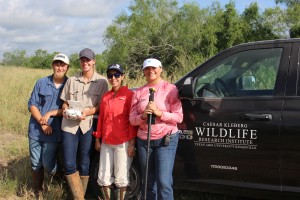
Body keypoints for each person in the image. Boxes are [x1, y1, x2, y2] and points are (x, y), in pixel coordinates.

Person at [129, 58, 183, 200]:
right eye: (147, 68)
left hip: (166, 139)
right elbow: (132, 119)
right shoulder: (139, 92)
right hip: (144, 141)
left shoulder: (170, 89)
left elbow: (179, 117)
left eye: (154, 68)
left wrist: (159, 113)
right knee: (148, 181)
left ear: (160, 69)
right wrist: (143, 116)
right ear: (143, 72)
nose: (150, 71)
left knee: (164, 182)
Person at [60, 48, 108, 199]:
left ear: (93, 61)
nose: (85, 63)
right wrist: (66, 109)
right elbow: (64, 103)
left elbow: (102, 105)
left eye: (88, 60)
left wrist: (88, 112)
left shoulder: (102, 81)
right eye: (82, 60)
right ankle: (79, 197)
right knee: (68, 163)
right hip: (69, 125)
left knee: (85, 163)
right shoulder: (72, 80)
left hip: (88, 125)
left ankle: (80, 195)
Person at [28, 53, 70, 198]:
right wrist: (42, 122)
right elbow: (32, 104)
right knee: (35, 164)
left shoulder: (70, 84)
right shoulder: (41, 82)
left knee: (47, 163)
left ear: (67, 68)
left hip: (54, 132)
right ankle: (37, 192)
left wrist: (50, 114)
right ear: (53, 65)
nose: (59, 67)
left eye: (62, 64)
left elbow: (67, 109)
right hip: (36, 130)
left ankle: (60, 181)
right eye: (57, 64)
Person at [93, 64, 137, 200]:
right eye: (110, 75)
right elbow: (101, 118)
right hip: (106, 140)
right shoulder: (106, 96)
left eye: (117, 75)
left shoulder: (130, 95)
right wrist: (97, 138)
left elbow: (132, 121)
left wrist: (131, 143)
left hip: (122, 142)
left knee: (121, 177)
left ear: (122, 76)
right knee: (103, 176)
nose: (113, 78)